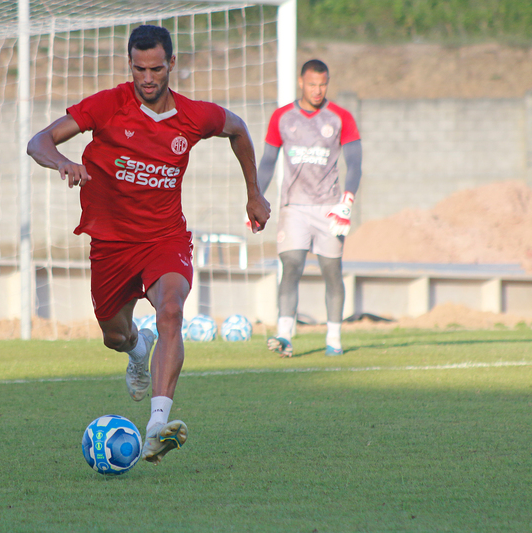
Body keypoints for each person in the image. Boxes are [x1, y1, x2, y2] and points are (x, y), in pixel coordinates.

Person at [27, 25, 270, 465]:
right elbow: (38, 141)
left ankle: (158, 425)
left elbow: (238, 129)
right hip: (111, 245)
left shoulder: (194, 116)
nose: (147, 78)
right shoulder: (107, 106)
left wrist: (254, 193)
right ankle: (138, 351)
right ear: (130, 66)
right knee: (114, 335)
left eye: (156, 68)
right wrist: (63, 162)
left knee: (172, 308)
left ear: (171, 65)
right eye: (139, 69)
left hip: (164, 237)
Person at [258, 59, 362, 358]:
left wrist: (347, 201)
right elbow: (267, 161)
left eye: (323, 84)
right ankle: (285, 335)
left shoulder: (341, 117)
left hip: (330, 207)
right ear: (301, 83)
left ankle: (334, 338)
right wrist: (256, 197)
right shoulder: (282, 117)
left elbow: (355, 163)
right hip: (294, 207)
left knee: (332, 270)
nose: (318, 90)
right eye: (312, 84)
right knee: (291, 266)